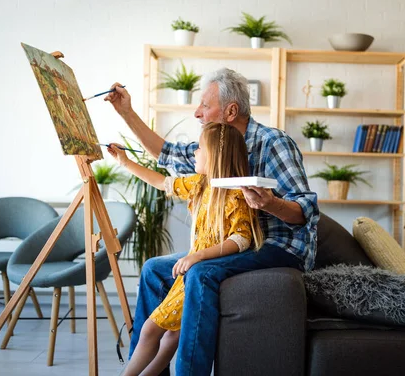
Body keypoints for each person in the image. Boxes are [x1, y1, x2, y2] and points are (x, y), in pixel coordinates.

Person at [105, 68, 319, 376]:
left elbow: (305, 212)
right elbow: (165, 155)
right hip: (234, 247)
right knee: (154, 269)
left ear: (231, 111)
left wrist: (270, 203)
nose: (197, 113)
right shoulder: (213, 147)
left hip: (277, 246)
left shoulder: (273, 143)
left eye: (205, 105)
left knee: (201, 271)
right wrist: (127, 113)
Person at [108, 122, 264, 376]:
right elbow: (161, 182)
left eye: (200, 148)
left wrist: (198, 256)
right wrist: (125, 162)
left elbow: (242, 239)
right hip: (191, 270)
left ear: (215, 155)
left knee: (150, 330)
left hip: (198, 270)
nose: (195, 153)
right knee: (171, 335)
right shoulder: (198, 184)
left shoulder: (236, 195)